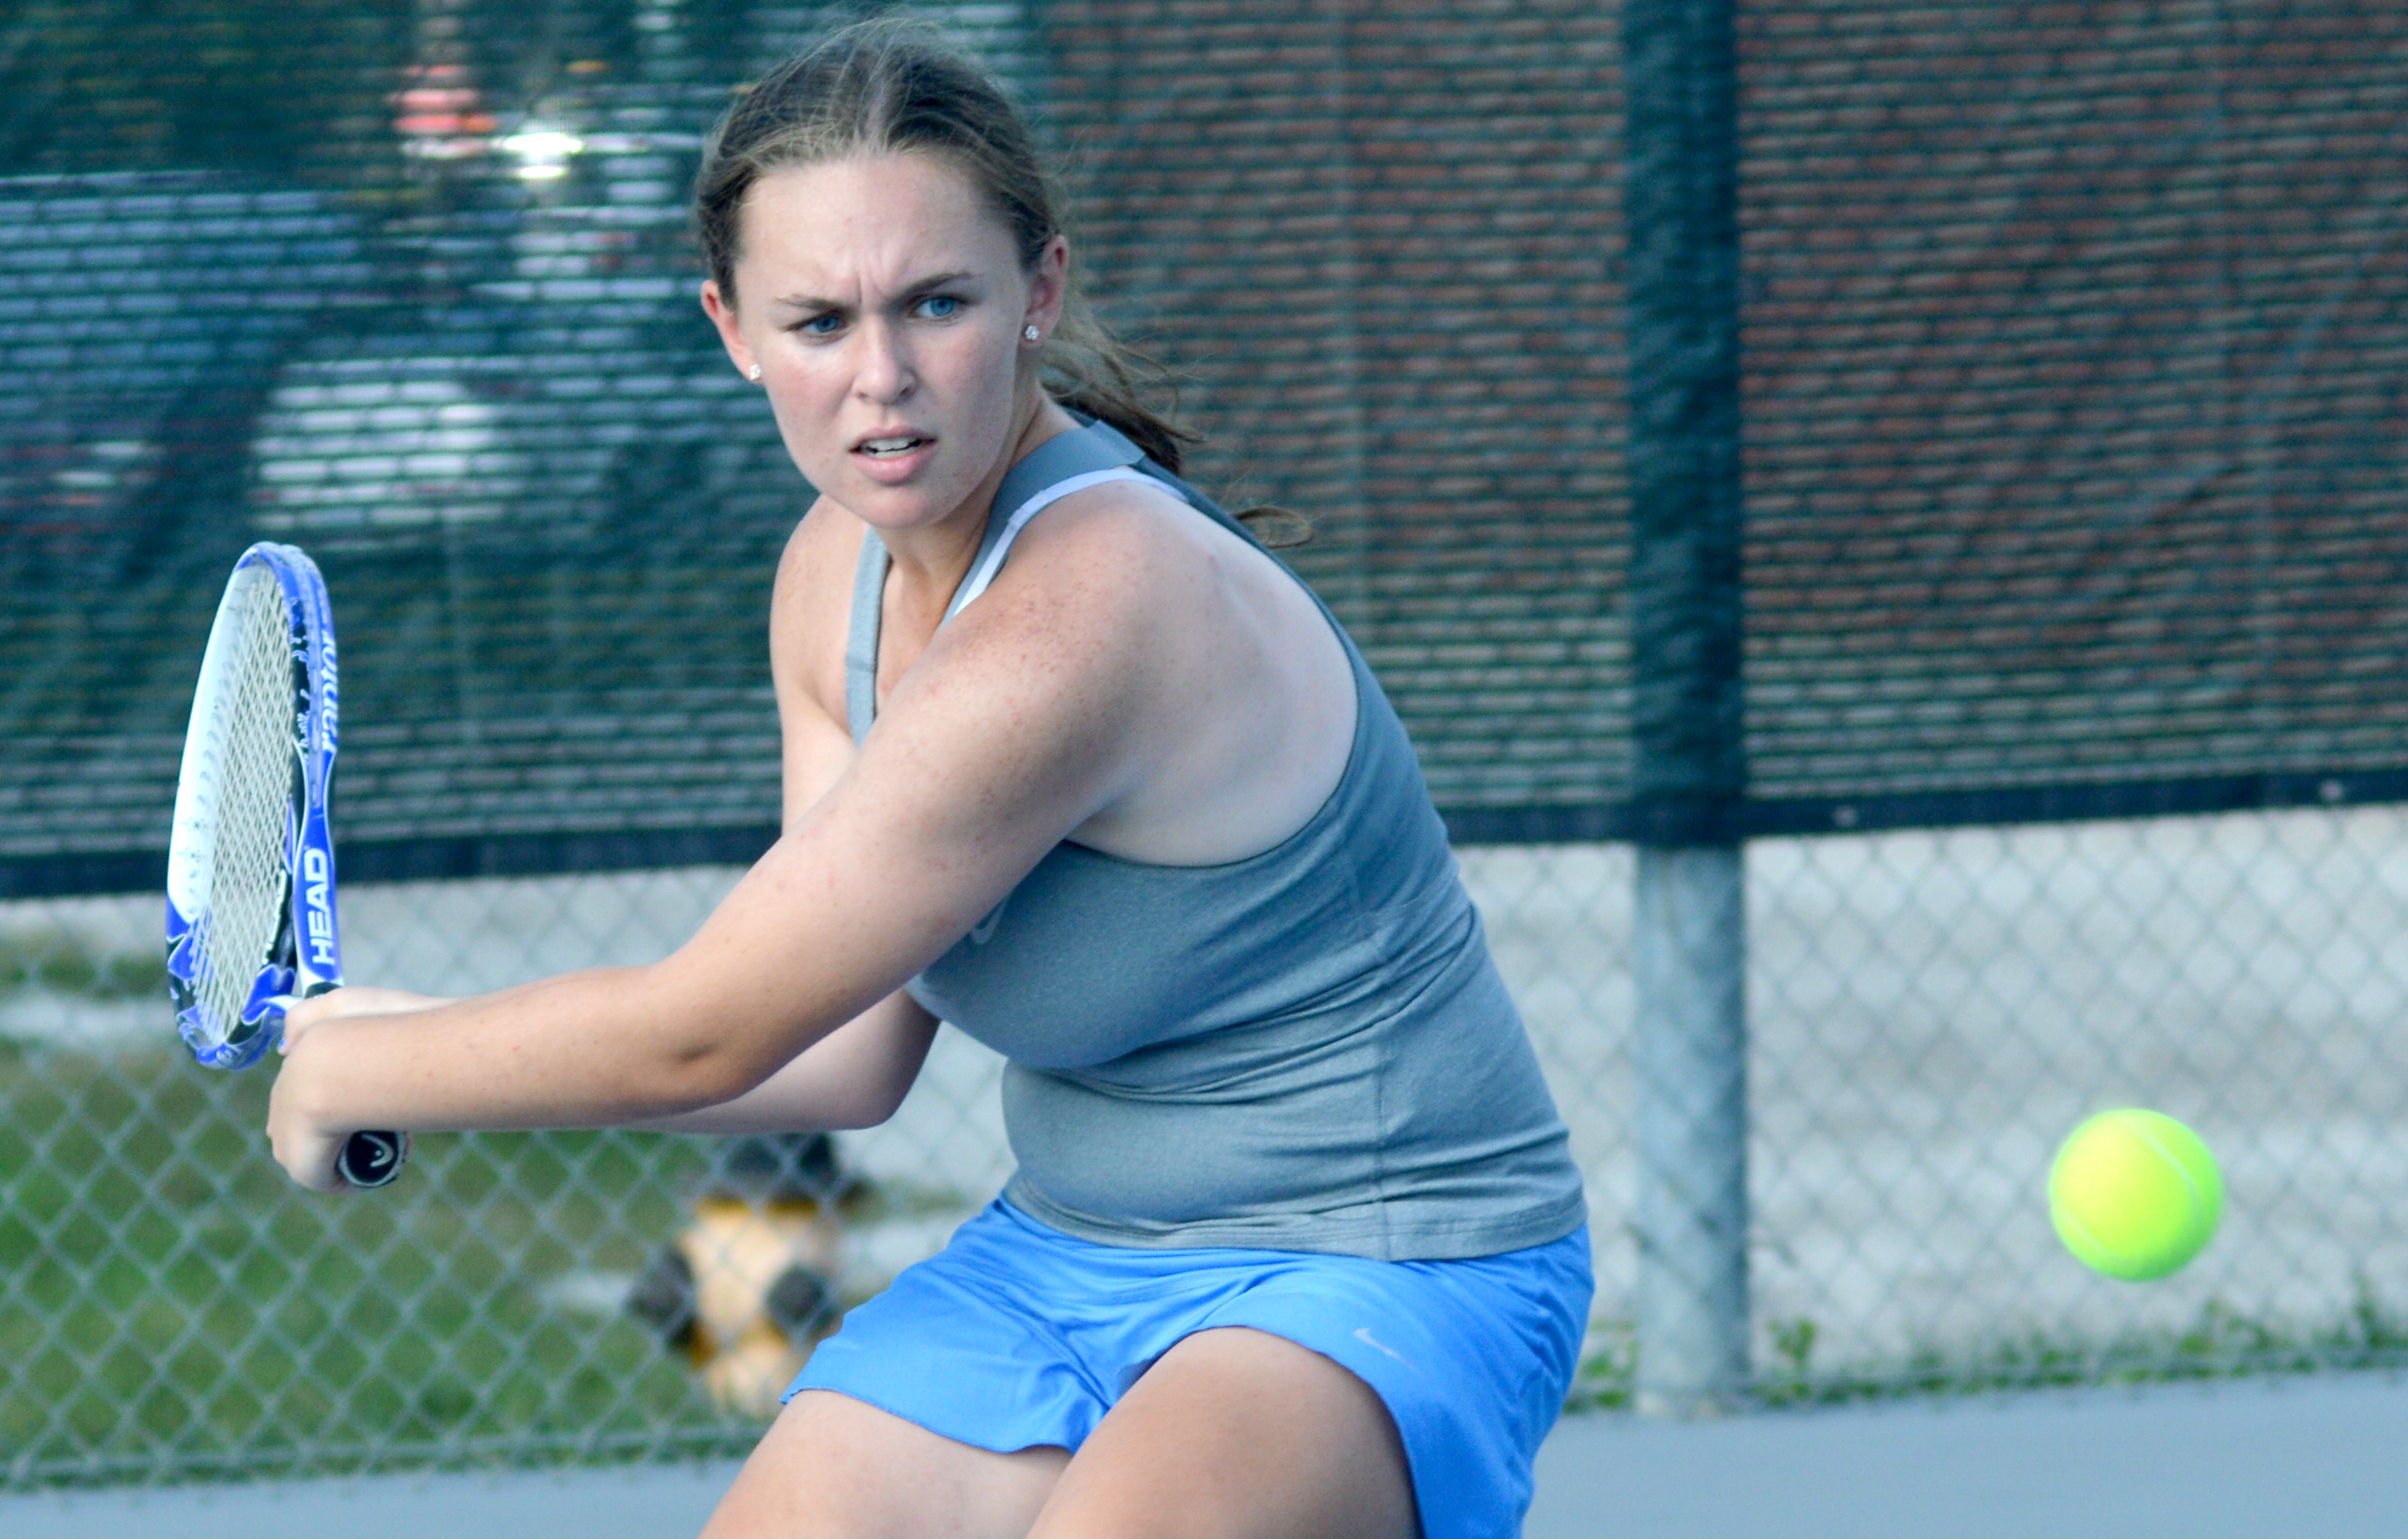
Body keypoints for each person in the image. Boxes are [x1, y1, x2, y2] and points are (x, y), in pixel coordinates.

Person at [269, 19, 1591, 1539]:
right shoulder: (831, 578)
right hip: (1073, 1252)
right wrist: (417, 1039)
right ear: (731, 328)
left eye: (936, 304)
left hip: (1381, 1258)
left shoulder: (1091, 609)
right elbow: (831, 1058)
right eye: (818, 321)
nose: (882, 380)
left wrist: (364, 1072)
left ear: (1041, 294)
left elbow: (706, 1036)